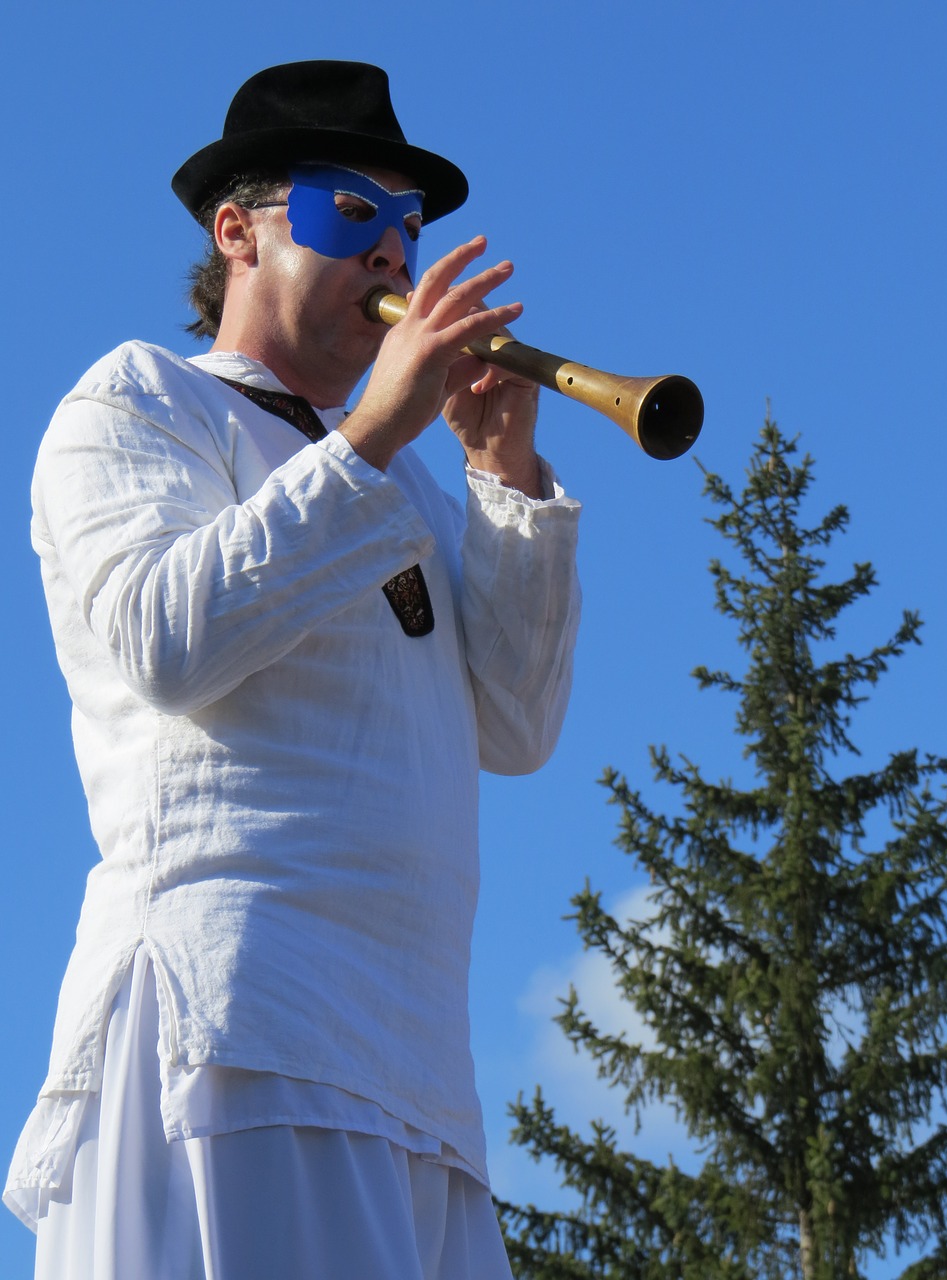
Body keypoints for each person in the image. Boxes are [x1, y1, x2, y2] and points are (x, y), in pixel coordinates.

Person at [3, 60, 581, 1280]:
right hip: (234, 1030)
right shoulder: (139, 401)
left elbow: (517, 727)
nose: (391, 252)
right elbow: (166, 638)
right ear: (238, 232)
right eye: (349, 212)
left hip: (418, 1069)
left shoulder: (407, 482)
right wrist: (375, 433)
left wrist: (501, 479)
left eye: (406, 227)